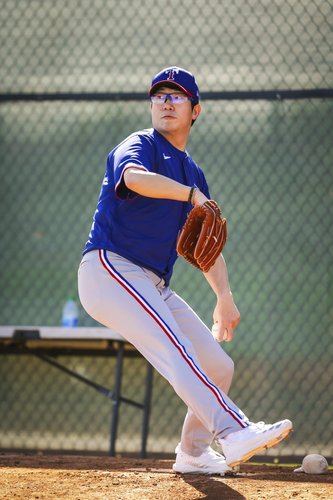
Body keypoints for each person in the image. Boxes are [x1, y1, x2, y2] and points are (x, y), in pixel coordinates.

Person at [78, 66, 292, 475]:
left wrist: (224, 297)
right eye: (159, 95)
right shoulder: (140, 144)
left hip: (152, 283)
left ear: (196, 110)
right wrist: (190, 195)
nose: (166, 102)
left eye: (177, 96)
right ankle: (232, 430)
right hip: (109, 269)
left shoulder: (193, 173)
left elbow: (204, 247)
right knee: (175, 348)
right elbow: (135, 179)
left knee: (218, 365)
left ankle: (193, 453)